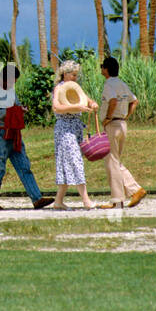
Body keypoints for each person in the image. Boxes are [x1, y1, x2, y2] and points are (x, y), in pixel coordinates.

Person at [0, 63, 53, 210]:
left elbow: (17, 105)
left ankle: (37, 199)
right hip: (1, 134)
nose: (13, 84)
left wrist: (21, 110)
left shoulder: (11, 91)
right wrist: (10, 112)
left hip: (15, 133)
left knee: (24, 166)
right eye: (11, 81)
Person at [98, 56, 146, 209]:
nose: (101, 69)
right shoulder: (122, 84)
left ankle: (120, 198)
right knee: (115, 161)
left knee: (112, 162)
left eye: (102, 66)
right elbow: (134, 101)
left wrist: (108, 118)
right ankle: (129, 193)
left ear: (106, 69)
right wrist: (125, 116)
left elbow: (112, 101)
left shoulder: (109, 84)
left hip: (112, 125)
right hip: (122, 124)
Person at [50, 59, 97, 209]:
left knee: (66, 163)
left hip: (75, 127)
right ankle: (86, 200)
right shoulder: (59, 88)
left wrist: (92, 104)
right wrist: (76, 107)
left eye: (76, 75)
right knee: (76, 161)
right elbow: (56, 107)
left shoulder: (75, 87)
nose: (75, 78)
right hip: (64, 128)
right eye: (73, 75)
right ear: (65, 74)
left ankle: (58, 201)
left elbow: (87, 100)